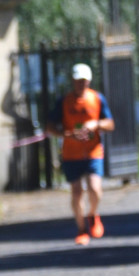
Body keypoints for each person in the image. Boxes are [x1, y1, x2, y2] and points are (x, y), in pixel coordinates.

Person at [46, 63, 115, 245]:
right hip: (71, 153)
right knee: (76, 193)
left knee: (94, 189)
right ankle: (81, 229)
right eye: (77, 81)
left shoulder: (97, 99)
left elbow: (110, 124)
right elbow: (50, 126)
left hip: (93, 151)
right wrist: (66, 134)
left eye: (83, 81)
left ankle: (93, 214)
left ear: (89, 81)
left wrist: (96, 124)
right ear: (73, 81)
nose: (80, 84)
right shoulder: (64, 101)